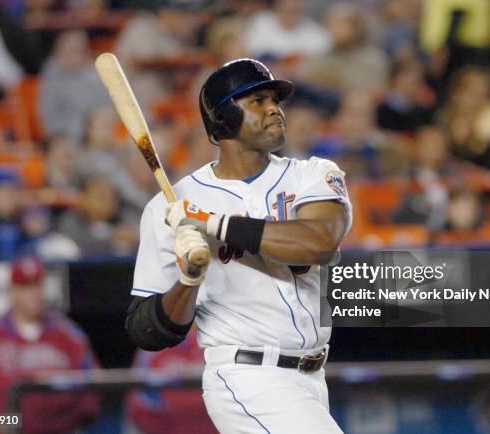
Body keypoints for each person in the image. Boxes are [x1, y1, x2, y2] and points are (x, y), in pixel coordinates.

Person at [125, 58, 352, 433]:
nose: (274, 109)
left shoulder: (312, 174)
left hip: (312, 377)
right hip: (247, 375)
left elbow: (318, 242)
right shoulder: (170, 206)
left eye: (275, 100)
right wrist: (190, 278)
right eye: (257, 101)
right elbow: (146, 329)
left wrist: (212, 224)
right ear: (222, 119)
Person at [0, 256, 100, 434]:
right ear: (12, 291)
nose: (33, 294)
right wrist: (6, 423)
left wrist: (65, 421)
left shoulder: (69, 335)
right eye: (25, 287)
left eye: (37, 286)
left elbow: (93, 392)